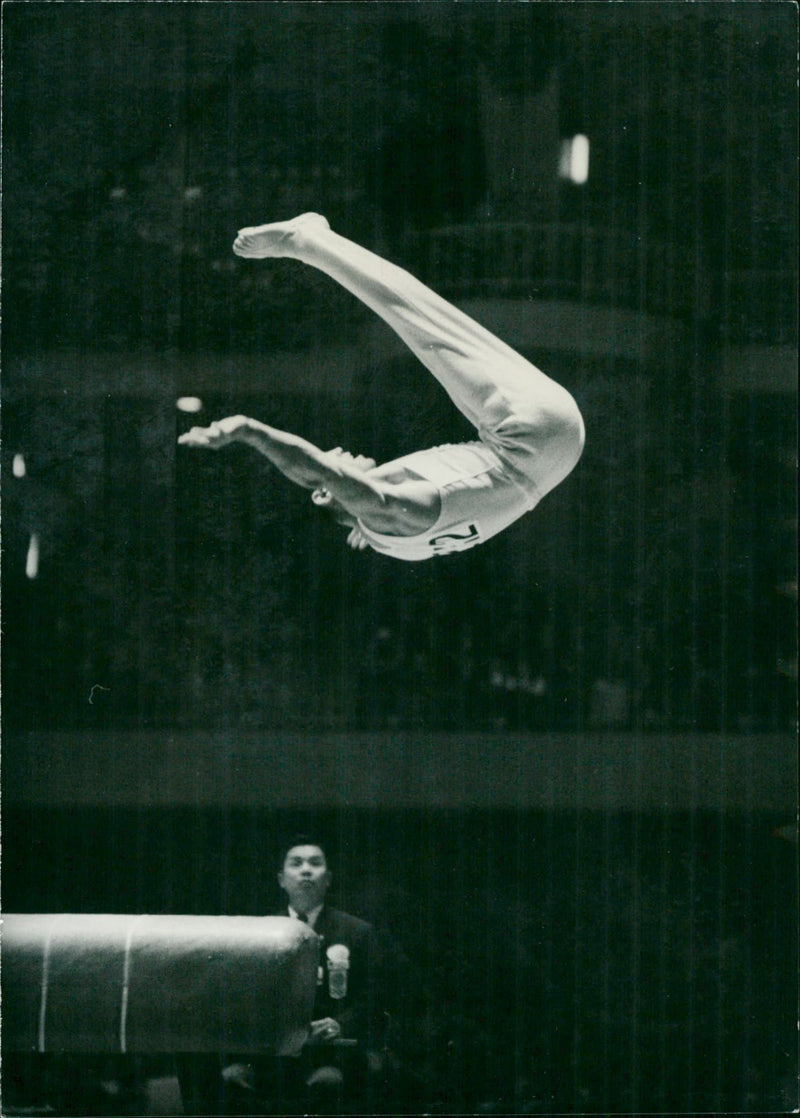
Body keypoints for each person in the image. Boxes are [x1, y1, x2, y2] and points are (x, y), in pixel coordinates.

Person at [179, 213, 584, 560]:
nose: (339, 452)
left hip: (551, 455)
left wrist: (359, 518)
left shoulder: (392, 536)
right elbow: (319, 473)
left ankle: (311, 240)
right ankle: (307, 239)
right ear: (325, 493)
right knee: (421, 318)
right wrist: (250, 431)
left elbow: (368, 505)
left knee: (427, 326)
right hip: (528, 435)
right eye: (335, 461)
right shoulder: (381, 511)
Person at [184, 835, 403, 1115]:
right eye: (296, 863)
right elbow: (244, 997)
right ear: (281, 879)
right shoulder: (260, 932)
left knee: (327, 1083)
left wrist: (340, 1023)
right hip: (270, 1053)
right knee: (230, 1080)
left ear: (328, 879)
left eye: (315, 863)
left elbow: (375, 995)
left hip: (333, 1052)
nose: (306, 870)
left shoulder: (357, 932)